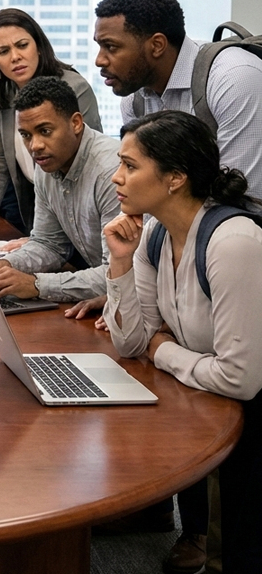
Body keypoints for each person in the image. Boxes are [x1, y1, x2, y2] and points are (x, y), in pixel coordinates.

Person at [103, 109, 262, 574]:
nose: (116, 177)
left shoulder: (233, 242)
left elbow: (240, 378)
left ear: (175, 177)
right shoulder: (154, 233)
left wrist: (165, 350)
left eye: (131, 166)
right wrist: (120, 263)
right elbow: (132, 341)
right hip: (217, 397)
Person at [94, 0, 262, 202]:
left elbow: (244, 202)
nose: (99, 60)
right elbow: (145, 194)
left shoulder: (234, 78)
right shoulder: (134, 100)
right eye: (99, 46)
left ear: (157, 45)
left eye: (111, 47)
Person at [0, 8, 101, 240]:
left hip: (80, 216)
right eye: (3, 51)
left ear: (38, 45)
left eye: (22, 45)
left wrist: (45, 239)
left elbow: (89, 167)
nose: (15, 57)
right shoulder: (3, 94)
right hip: (37, 211)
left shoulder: (75, 88)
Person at [0, 76, 120, 303]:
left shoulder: (111, 172)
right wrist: (5, 264)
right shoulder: (47, 164)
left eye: (45, 131)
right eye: (26, 135)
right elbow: (49, 244)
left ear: (76, 123)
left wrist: (36, 284)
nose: (35, 146)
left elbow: (117, 276)